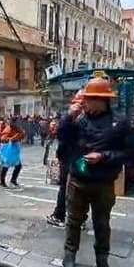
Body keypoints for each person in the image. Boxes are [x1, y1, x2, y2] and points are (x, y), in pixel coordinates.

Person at [60, 77, 130, 267]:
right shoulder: (78, 119)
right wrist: (68, 118)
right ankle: (70, 253)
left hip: (103, 182)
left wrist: (103, 156)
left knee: (102, 223)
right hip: (78, 179)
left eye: (88, 99)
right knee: (73, 219)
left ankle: (102, 259)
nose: (84, 102)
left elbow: (127, 153)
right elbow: (63, 139)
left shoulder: (119, 123)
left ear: (101, 100)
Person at [46, 90, 84, 227]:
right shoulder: (86, 118)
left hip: (74, 159)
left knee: (68, 188)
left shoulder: (79, 120)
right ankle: (78, 218)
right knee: (78, 188)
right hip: (77, 159)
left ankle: (60, 216)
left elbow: (62, 135)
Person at [0, 118, 25, 188]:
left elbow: (22, 135)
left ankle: (13, 180)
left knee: (18, 166)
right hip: (7, 149)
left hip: (14, 149)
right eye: (17, 122)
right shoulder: (8, 129)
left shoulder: (18, 128)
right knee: (5, 165)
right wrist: (12, 138)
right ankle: (2, 182)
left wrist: (20, 135)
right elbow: (2, 138)